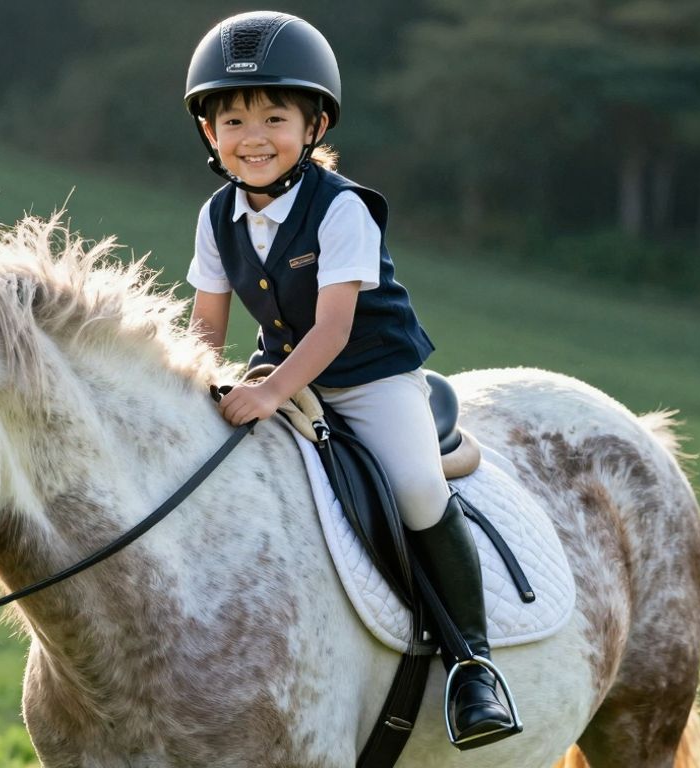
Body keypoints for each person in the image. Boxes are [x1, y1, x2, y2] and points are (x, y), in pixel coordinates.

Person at [183, 11, 519, 750]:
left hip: (372, 377)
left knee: (416, 488)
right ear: (211, 134)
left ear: (313, 126)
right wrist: (195, 391)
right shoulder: (215, 217)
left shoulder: (344, 210)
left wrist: (268, 393)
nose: (254, 135)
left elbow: (333, 329)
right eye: (234, 118)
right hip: (283, 374)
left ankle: (474, 664)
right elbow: (205, 329)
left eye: (275, 116)